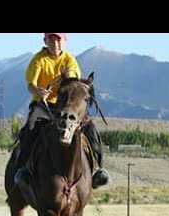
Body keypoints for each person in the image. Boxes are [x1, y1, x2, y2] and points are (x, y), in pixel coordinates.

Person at [14, 33, 109, 189]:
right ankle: (23, 169)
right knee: (31, 127)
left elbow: (74, 83)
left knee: (90, 128)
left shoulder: (70, 60)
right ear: (45, 41)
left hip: (65, 105)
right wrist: (38, 90)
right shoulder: (38, 60)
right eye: (51, 39)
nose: (55, 43)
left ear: (64, 41)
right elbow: (30, 85)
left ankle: (98, 170)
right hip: (43, 105)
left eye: (58, 39)